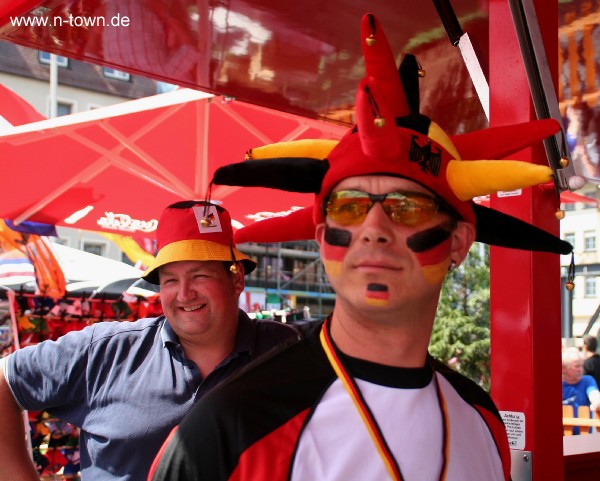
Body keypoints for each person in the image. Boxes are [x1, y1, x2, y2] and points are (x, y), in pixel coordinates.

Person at [149, 13, 572, 481]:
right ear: (320, 237)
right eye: (349, 206)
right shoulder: (228, 429)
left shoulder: (483, 421)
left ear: (458, 243)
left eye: (406, 206)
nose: (373, 228)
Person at [0, 200, 299, 481]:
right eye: (170, 280)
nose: (184, 294)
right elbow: (5, 381)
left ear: (236, 280)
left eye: (199, 276)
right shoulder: (108, 349)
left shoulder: (289, 352)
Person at [562, 346, 600, 435]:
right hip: (563, 438)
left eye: (582, 366)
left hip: (584, 437)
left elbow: (594, 393)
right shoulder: (557, 385)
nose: (581, 369)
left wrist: (597, 401)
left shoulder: (587, 380)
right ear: (564, 369)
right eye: (577, 366)